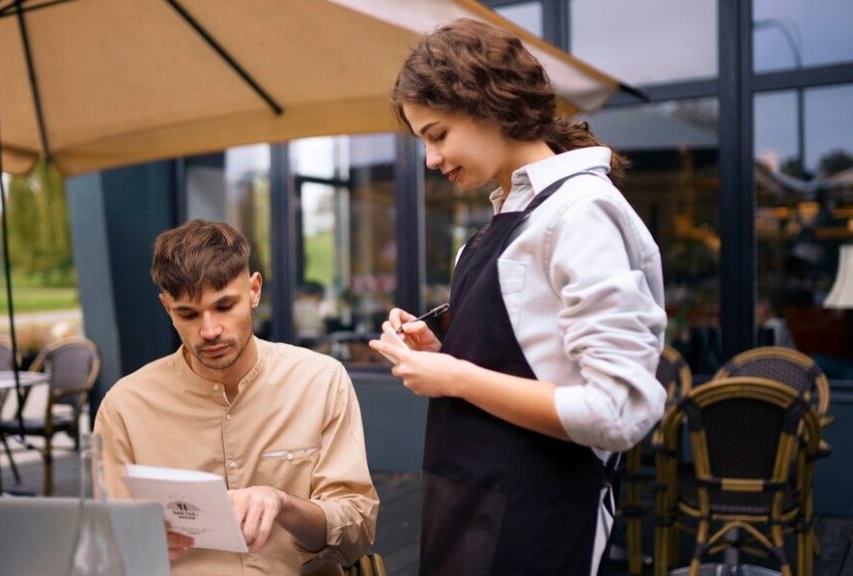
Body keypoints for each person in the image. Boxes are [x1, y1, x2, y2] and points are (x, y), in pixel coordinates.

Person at [369, 18, 667, 576]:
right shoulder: (508, 215)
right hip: (467, 508)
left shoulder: (580, 212)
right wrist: (442, 356)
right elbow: (528, 362)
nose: (431, 160)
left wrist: (454, 377)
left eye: (437, 135)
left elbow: (616, 410)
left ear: (486, 105)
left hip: (540, 525)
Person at [95, 219, 378, 576]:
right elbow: (104, 545)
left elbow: (358, 530)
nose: (209, 331)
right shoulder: (125, 407)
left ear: (254, 290)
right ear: (167, 307)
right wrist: (135, 544)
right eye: (188, 314)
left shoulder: (320, 381)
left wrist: (283, 504)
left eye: (225, 306)